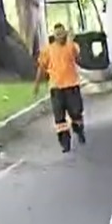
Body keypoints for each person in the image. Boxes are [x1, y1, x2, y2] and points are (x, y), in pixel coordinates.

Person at [34, 23, 86, 152]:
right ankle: (65, 143)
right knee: (59, 118)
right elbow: (41, 68)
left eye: (63, 35)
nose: (61, 38)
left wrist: (73, 43)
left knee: (76, 112)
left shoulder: (72, 46)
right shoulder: (48, 50)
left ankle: (79, 130)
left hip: (72, 85)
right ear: (55, 37)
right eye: (58, 35)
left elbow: (78, 58)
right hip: (56, 88)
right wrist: (37, 84)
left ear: (65, 35)